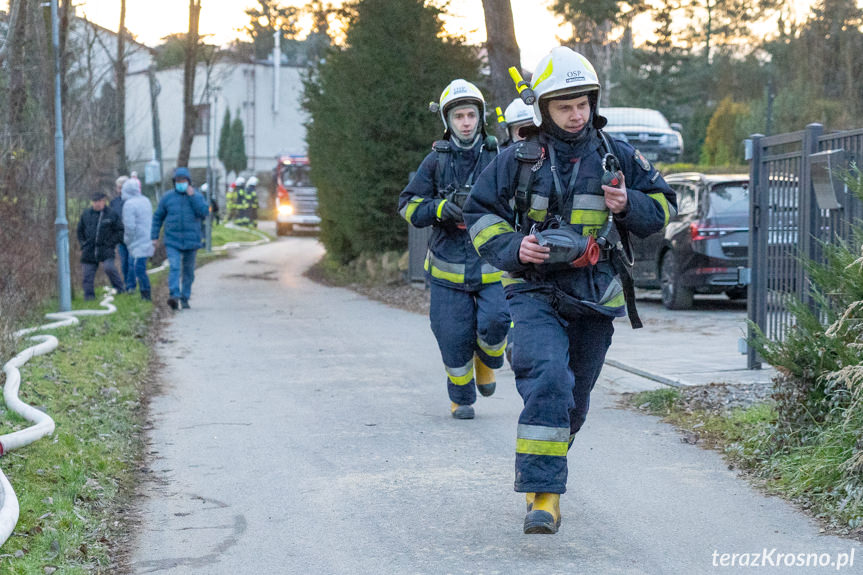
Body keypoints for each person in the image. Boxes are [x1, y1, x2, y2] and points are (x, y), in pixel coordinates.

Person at [463, 47, 677, 534]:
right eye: (564, 106)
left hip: (596, 296)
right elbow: (479, 214)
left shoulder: (615, 153)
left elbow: (665, 208)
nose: (576, 114)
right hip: (534, 293)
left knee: (574, 402)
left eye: (582, 103)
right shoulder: (516, 160)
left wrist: (629, 205)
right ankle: (544, 498)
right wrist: (517, 248)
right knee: (549, 382)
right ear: (543, 109)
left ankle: (548, 466)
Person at [397, 79, 509, 420]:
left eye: (471, 115)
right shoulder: (436, 161)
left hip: (490, 264)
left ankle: (487, 363)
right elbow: (408, 206)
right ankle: (462, 397)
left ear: (480, 118)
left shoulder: (498, 157)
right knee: (452, 334)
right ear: (448, 121)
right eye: (458, 116)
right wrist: (440, 209)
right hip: (447, 268)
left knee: (497, 321)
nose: (465, 122)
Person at [151, 167, 208, 310]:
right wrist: (154, 236)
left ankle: (185, 297)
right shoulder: (167, 197)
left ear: (188, 182)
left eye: (183, 180)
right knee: (175, 267)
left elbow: (204, 212)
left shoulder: (197, 196)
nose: (180, 183)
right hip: (172, 240)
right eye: (178, 181)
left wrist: (193, 196)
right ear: (174, 182)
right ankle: (174, 295)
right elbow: (158, 217)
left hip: (191, 240)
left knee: (188, 271)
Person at [77, 191, 125, 300]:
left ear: (104, 201)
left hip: (106, 248)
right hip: (89, 249)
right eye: (95, 201)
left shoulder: (111, 214)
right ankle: (89, 297)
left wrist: (111, 242)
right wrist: (83, 244)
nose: (97, 204)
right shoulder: (86, 214)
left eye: (100, 201)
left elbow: (120, 231)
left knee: (109, 268)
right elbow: (80, 230)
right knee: (87, 275)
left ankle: (120, 289)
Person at [121, 177, 155, 300]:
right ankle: (145, 293)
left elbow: (129, 226)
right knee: (140, 267)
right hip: (148, 239)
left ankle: (145, 294)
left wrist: (127, 240)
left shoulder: (129, 205)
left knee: (138, 269)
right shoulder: (146, 201)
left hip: (136, 242)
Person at [110, 175, 136, 292]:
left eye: (122, 188)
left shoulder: (134, 201)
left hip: (133, 237)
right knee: (124, 263)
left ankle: (132, 286)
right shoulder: (114, 203)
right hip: (120, 238)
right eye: (118, 188)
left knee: (131, 262)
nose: (120, 190)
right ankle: (127, 284)